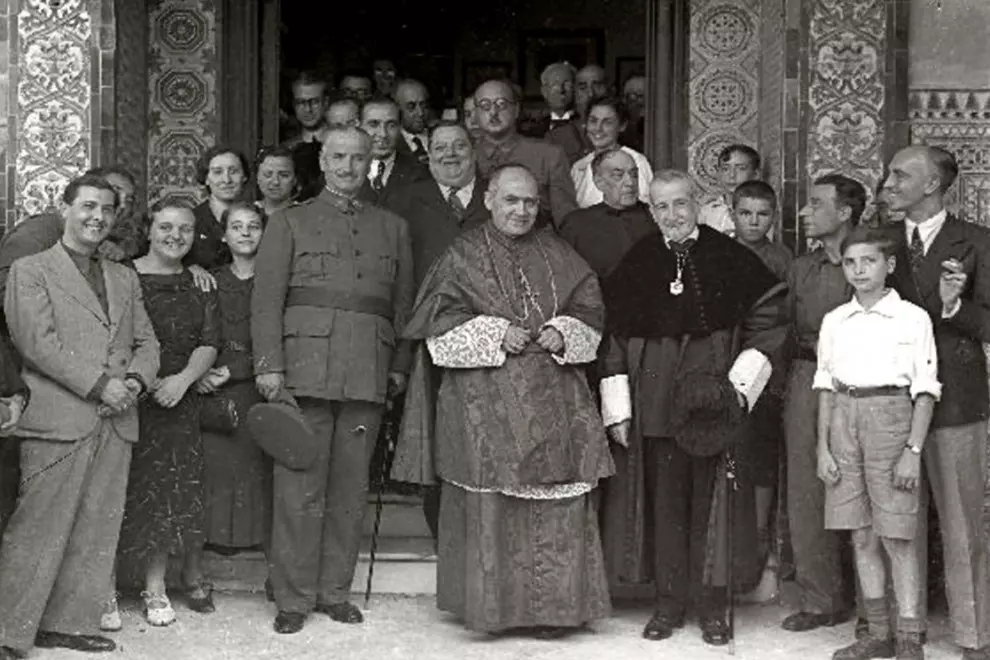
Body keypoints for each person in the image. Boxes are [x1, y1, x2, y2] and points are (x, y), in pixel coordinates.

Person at [392, 164, 614, 637]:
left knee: (554, 505)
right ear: (489, 199)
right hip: (484, 404)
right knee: (493, 505)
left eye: (530, 202)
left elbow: (589, 307)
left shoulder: (559, 252)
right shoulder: (461, 254)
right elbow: (435, 321)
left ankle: (553, 613)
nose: (520, 210)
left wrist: (563, 330)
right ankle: (493, 611)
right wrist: (494, 332)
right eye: (511, 200)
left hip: (554, 402)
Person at [598, 170, 788, 645]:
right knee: (665, 509)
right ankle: (668, 604)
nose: (672, 215)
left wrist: (737, 393)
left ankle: (713, 607)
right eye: (661, 207)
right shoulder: (639, 260)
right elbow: (614, 338)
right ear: (651, 211)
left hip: (713, 409)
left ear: (697, 204)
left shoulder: (731, 259)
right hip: (655, 408)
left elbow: (770, 325)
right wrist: (618, 407)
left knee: (714, 508)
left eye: (680, 204)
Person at [251, 125, 414, 635]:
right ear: (321, 162)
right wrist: (269, 366)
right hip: (304, 371)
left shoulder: (392, 227)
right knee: (299, 487)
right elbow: (266, 300)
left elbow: (402, 307)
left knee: (349, 489)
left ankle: (333, 592)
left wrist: (399, 367)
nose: (348, 167)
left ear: (371, 163)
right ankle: (292, 597)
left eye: (357, 158)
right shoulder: (291, 222)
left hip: (367, 370)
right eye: (338, 157)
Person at [0, 174, 159, 658]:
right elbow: (35, 343)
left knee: (96, 527)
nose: (98, 217)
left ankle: (66, 624)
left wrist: (132, 382)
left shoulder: (124, 276)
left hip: (116, 418)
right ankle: (10, 631)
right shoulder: (31, 270)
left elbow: (147, 342)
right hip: (60, 418)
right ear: (63, 208)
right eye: (88, 206)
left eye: (108, 210)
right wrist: (100, 385)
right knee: (38, 528)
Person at [883, 146, 990, 660]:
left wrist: (955, 306)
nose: (889, 182)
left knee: (962, 524)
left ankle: (972, 636)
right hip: (891, 402)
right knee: (899, 521)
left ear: (931, 185)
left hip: (956, 402)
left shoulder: (979, 242)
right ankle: (907, 632)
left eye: (900, 175)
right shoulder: (880, 243)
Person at [813, 226, 938, 660]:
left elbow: (924, 390)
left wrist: (912, 451)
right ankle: (878, 633)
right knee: (861, 534)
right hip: (844, 420)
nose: (859, 270)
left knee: (896, 534)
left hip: (892, 420)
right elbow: (826, 386)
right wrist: (823, 447)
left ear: (889, 265)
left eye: (868, 261)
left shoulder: (912, 319)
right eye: (850, 262)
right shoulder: (835, 321)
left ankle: (908, 636)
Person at [117, 202, 221, 627]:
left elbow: (210, 340)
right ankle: (106, 587)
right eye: (165, 227)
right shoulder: (122, 274)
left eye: (184, 229)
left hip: (178, 399)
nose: (174, 236)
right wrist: (140, 381)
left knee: (166, 492)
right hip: (127, 395)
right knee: (119, 490)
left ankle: (155, 586)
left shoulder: (200, 283)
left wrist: (181, 381)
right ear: (149, 229)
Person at [388, 120, 489, 546]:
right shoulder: (404, 202)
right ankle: (444, 537)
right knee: (434, 440)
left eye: (459, 147)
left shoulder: (498, 198)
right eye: (440, 148)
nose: (450, 155)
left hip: (488, 343)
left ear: (475, 151)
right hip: (429, 342)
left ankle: (482, 538)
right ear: (427, 155)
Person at [781, 174, 866, 635]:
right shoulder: (801, 269)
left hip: (863, 383)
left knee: (863, 484)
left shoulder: (873, 261)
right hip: (807, 379)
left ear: (846, 211)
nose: (804, 213)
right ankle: (821, 600)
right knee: (806, 489)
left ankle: (876, 606)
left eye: (815, 204)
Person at [730, 180, 793, 604]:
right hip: (722, 368)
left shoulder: (781, 259)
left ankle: (760, 551)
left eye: (763, 214)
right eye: (746, 213)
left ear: (774, 216)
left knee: (761, 463)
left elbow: (782, 322)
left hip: (764, 374)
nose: (754, 222)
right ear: (731, 211)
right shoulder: (716, 248)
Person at [200, 203, 271, 555]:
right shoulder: (210, 279)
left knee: (252, 461)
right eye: (237, 226)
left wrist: (236, 370)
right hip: (213, 382)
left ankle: (250, 536)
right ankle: (219, 538)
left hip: (255, 382)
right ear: (224, 235)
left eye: (254, 226)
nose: (245, 232)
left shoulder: (275, 281)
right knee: (218, 462)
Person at [473, 78, 578, 229]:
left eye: (501, 104)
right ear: (476, 113)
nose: (493, 112)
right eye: (485, 105)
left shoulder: (548, 155)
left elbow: (566, 221)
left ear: (516, 110)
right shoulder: (465, 157)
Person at [560, 148, 656, 279]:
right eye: (618, 175)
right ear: (599, 182)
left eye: (634, 174)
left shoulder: (656, 217)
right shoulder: (576, 225)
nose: (630, 182)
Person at [570, 96, 652, 208]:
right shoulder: (579, 166)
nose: (598, 128)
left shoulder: (636, 161)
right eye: (593, 121)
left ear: (622, 126)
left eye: (607, 122)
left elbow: (644, 208)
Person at [190, 145, 251, 279]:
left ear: (244, 177)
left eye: (233, 171)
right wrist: (189, 268)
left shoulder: (258, 220)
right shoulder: (190, 220)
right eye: (218, 172)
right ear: (206, 179)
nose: (227, 180)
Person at [360, 95, 430, 209]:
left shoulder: (421, 173)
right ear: (359, 126)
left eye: (391, 125)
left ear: (400, 128)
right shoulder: (338, 172)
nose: (383, 134)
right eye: (374, 124)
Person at [699, 144, 761, 236]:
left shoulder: (761, 211)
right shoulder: (706, 211)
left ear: (755, 174)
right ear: (718, 172)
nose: (732, 175)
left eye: (741, 168)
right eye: (725, 169)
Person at [394, 79, 431, 165]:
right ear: (397, 109)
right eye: (411, 107)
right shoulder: (392, 143)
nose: (420, 113)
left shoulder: (439, 136)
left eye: (423, 105)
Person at [255, 146, 299, 215]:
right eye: (268, 175)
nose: (276, 182)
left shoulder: (306, 215)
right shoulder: (243, 213)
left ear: (295, 179)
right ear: (257, 178)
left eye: (284, 175)